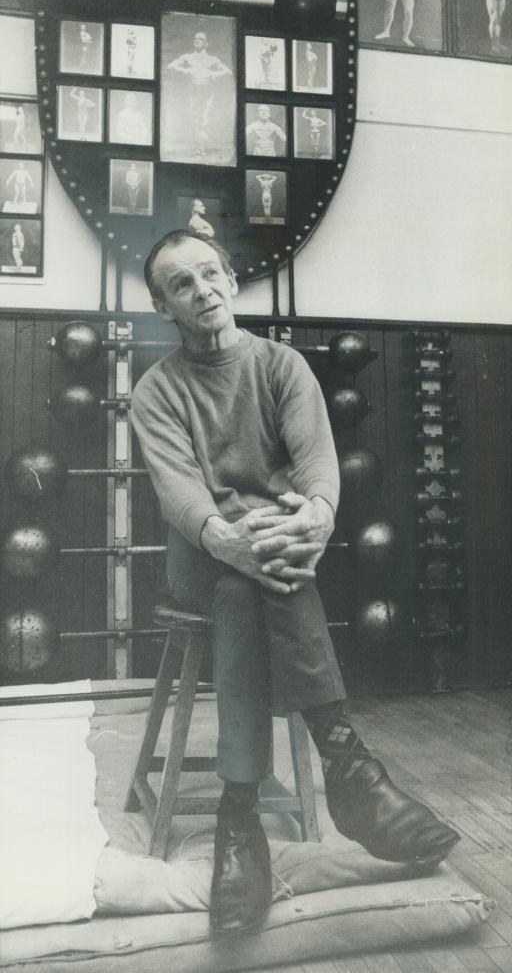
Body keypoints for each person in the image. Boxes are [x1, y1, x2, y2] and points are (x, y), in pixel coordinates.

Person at [131, 229, 460, 938]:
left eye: (211, 274)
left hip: (272, 556)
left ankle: (238, 817)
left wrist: (315, 515)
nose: (204, 290)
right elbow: (182, 496)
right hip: (201, 551)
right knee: (235, 578)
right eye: (182, 285)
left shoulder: (282, 367)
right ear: (163, 306)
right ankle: (351, 770)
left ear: (230, 278)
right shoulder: (156, 392)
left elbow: (317, 470)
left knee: (245, 592)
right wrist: (234, 536)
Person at [167, 31, 232, 157]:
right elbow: (171, 66)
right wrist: (186, 70)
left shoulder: (212, 59)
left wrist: (213, 74)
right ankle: (198, 148)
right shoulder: (188, 57)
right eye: (195, 38)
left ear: (206, 43)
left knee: (204, 118)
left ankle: (201, 148)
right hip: (193, 90)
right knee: (194, 117)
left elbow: (228, 71)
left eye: (201, 39)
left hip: (207, 90)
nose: (197, 40)